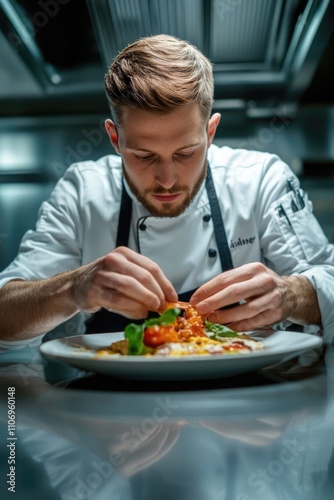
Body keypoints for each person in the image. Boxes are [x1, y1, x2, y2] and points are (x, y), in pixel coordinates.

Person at [0, 34, 334, 344]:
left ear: (211, 132)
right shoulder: (83, 192)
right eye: (144, 156)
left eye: (186, 153)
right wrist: (72, 288)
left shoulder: (260, 180)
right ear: (114, 137)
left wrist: (292, 294)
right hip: (108, 399)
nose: (167, 179)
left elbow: (327, 278)